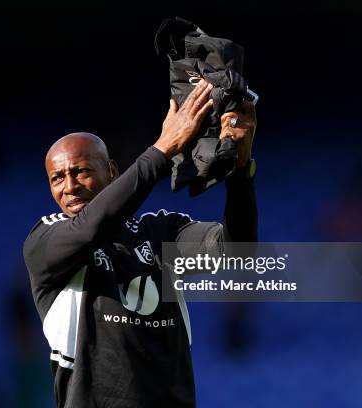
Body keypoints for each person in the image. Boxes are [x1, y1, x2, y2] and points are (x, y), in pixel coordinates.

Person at [23, 79, 257, 407]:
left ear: (112, 171)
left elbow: (236, 253)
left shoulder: (161, 232)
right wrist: (161, 151)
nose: (70, 186)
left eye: (81, 172)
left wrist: (240, 172)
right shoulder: (45, 239)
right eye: (57, 178)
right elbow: (91, 229)